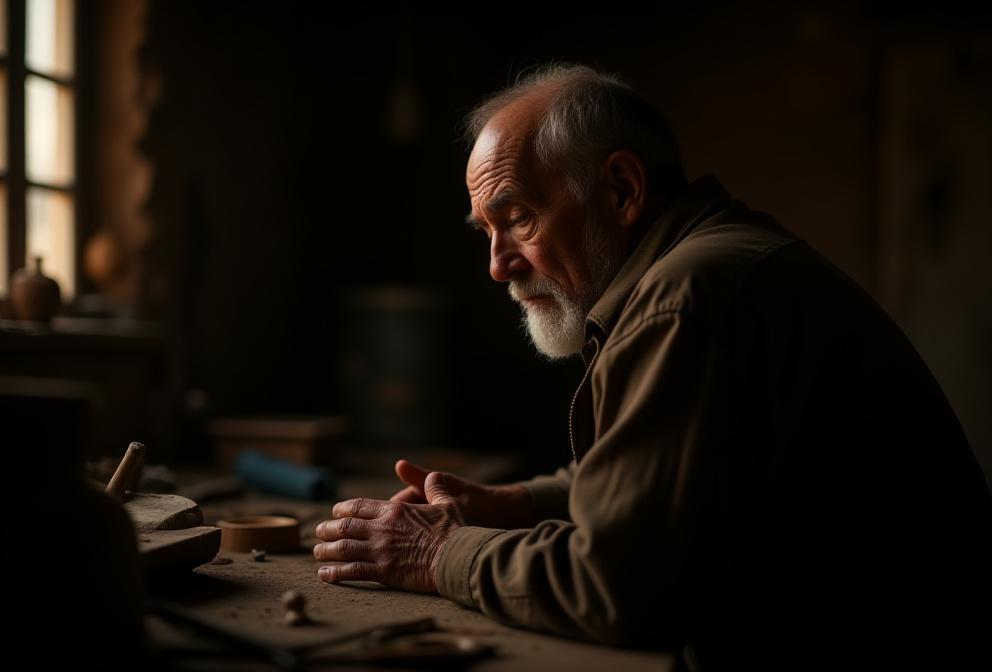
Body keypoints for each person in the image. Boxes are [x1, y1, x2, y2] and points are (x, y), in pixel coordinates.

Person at [314, 64, 991, 669]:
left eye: (517, 219)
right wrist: (514, 504)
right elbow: (674, 473)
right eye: (485, 234)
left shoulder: (683, 300)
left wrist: (436, 555)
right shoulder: (710, 264)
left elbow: (615, 589)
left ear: (622, 189)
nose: (498, 267)